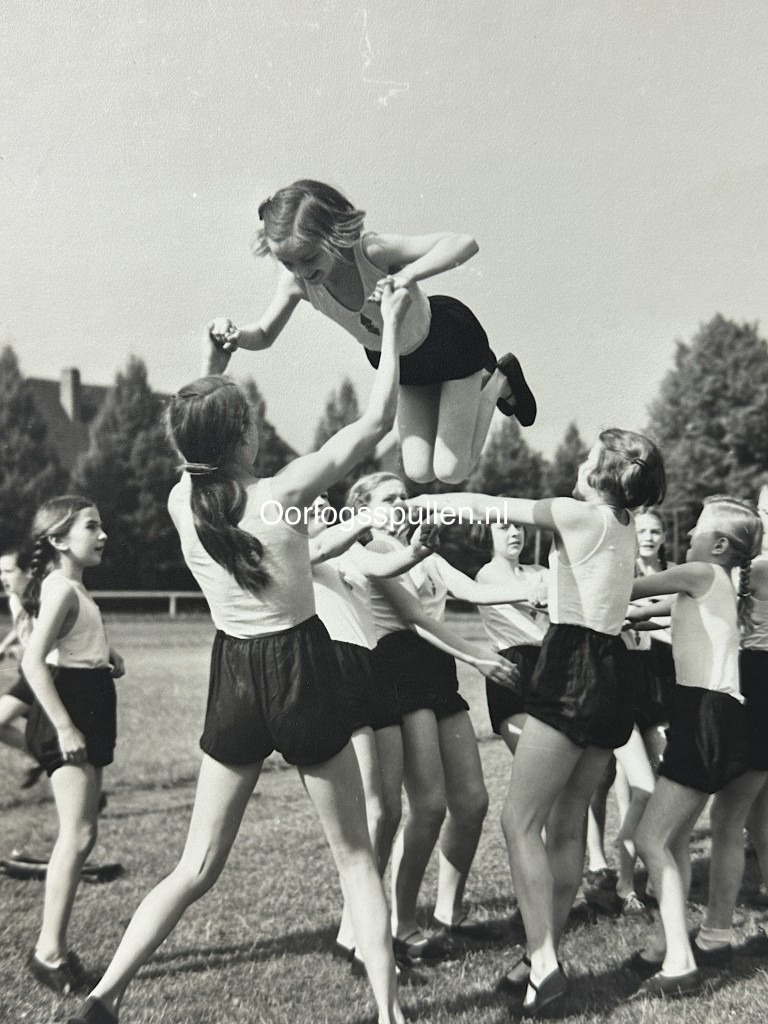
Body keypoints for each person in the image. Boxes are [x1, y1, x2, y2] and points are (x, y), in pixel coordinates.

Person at [68, 282, 408, 1024]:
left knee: (195, 866)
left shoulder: (180, 503)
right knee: (356, 859)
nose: (257, 430)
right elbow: (377, 421)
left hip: (235, 677)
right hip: (302, 668)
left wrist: (213, 362)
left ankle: (104, 995)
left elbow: (193, 442)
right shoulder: (283, 495)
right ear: (240, 439)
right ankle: (390, 1016)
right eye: (248, 421)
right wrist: (393, 324)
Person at [410, 428, 666, 1015]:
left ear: (605, 474)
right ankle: (537, 956)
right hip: (613, 671)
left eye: (588, 456)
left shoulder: (579, 514)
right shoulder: (625, 524)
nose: (578, 461)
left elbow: (486, 505)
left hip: (572, 665)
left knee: (519, 822)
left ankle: (545, 963)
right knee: (567, 823)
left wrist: (422, 502)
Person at [205, 178, 536, 484]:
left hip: (448, 342)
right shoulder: (296, 283)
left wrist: (407, 275)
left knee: (451, 471)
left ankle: (498, 381)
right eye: (288, 263)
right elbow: (264, 333)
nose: (301, 271)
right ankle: (474, 389)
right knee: (419, 472)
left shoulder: (371, 252)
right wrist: (236, 336)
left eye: (309, 258)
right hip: (403, 364)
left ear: (334, 235)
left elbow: (464, 243)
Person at [347, 472, 532, 961]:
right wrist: (479, 657)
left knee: (471, 801)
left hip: (437, 671)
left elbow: (473, 590)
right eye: (389, 498)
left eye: (404, 496)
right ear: (364, 509)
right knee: (428, 806)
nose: (401, 503)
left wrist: (542, 589)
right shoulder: (372, 552)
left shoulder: (423, 551)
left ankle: (450, 911)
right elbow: (416, 620)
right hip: (398, 673)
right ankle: (401, 923)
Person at [625, 496, 762, 998]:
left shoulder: (701, 572)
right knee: (676, 838)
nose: (686, 536)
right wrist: (632, 617)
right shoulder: (714, 582)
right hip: (707, 715)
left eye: (697, 528)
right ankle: (667, 944)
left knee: (651, 840)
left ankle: (680, 963)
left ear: (719, 545)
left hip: (705, 716)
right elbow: (652, 610)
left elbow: (627, 586)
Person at [307, 495, 430, 974]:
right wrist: (364, 517)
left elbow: (385, 564)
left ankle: (353, 927)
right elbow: (320, 548)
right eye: (313, 501)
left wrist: (416, 550)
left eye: (327, 500)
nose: (323, 505)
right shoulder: (300, 547)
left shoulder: (350, 550)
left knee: (391, 810)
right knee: (374, 809)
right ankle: (363, 937)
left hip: (374, 666)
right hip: (338, 668)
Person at [20, 497, 125, 996]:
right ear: (59, 539)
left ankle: (54, 949)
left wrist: (106, 655)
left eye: (101, 525)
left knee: (83, 833)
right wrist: (64, 727)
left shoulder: (72, 587)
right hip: (72, 711)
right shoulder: (61, 587)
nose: (103, 535)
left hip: (90, 702)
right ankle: (49, 953)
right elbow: (32, 662)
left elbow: (72, 642)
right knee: (78, 836)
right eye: (91, 526)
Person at [692, 485, 768, 965]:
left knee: (727, 818)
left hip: (756, 684)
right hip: (758, 683)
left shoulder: (753, 570)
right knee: (759, 818)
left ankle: (715, 934)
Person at [0, 543, 44, 786]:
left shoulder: (40, 597)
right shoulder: (16, 597)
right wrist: (5, 645)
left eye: (8, 571)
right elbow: (22, 627)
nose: (2, 578)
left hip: (45, 676)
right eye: (0, 572)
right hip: (31, 675)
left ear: (28, 571)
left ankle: (48, 760)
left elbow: (44, 641)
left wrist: (19, 651)